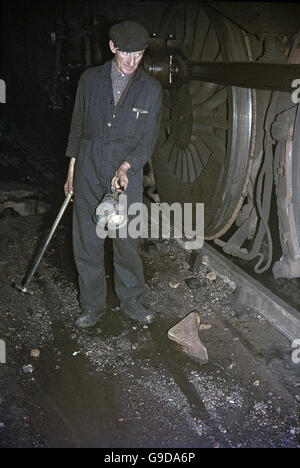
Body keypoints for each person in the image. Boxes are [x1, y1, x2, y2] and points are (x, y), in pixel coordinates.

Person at [64, 21, 163, 329]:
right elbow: (77, 129)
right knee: (88, 242)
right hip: (88, 168)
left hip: (125, 175)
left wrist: (127, 166)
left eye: (139, 54)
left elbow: (148, 140)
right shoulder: (89, 81)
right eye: (126, 53)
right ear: (112, 48)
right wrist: (71, 173)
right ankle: (92, 306)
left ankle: (132, 300)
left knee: (126, 241)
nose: (132, 61)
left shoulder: (151, 90)